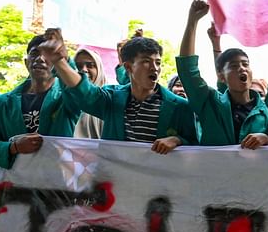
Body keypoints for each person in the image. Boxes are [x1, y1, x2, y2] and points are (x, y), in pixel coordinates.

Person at [45, 29, 198, 153]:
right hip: (116, 185)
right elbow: (85, 93)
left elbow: (196, 146)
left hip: (159, 188)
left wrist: (177, 140)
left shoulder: (180, 107)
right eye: (146, 61)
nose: (155, 68)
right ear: (128, 67)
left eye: (158, 62)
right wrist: (60, 62)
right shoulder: (111, 98)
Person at [176, 0, 268, 149]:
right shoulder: (210, 103)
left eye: (245, 64)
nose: (242, 69)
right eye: (233, 66)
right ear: (221, 76)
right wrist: (192, 22)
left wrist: (265, 138)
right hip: (214, 172)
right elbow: (188, 72)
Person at [0, 33, 81, 172]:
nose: (40, 59)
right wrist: (13, 147)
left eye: (49, 55)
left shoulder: (67, 99)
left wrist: (65, 62)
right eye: (34, 53)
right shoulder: (0, 104)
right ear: (26, 62)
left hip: (56, 185)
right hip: (13, 186)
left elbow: (80, 90)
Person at [73, 48, 107, 139]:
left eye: (90, 65)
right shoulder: (64, 98)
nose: (83, 70)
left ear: (99, 69)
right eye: (78, 66)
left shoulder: (110, 100)